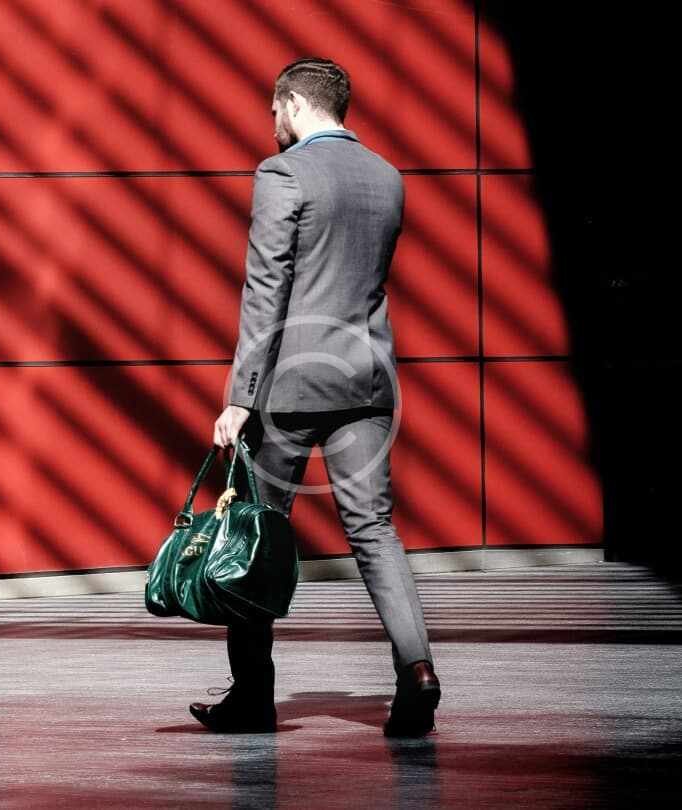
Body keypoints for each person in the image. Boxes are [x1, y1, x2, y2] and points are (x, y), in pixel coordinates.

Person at [190, 57, 440, 737]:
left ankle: (253, 697)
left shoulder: (283, 174)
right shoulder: (386, 177)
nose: (273, 123)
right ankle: (417, 669)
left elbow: (265, 290)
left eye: (274, 110)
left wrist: (240, 396)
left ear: (296, 104)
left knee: (257, 536)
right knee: (374, 530)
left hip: (292, 385)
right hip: (366, 380)